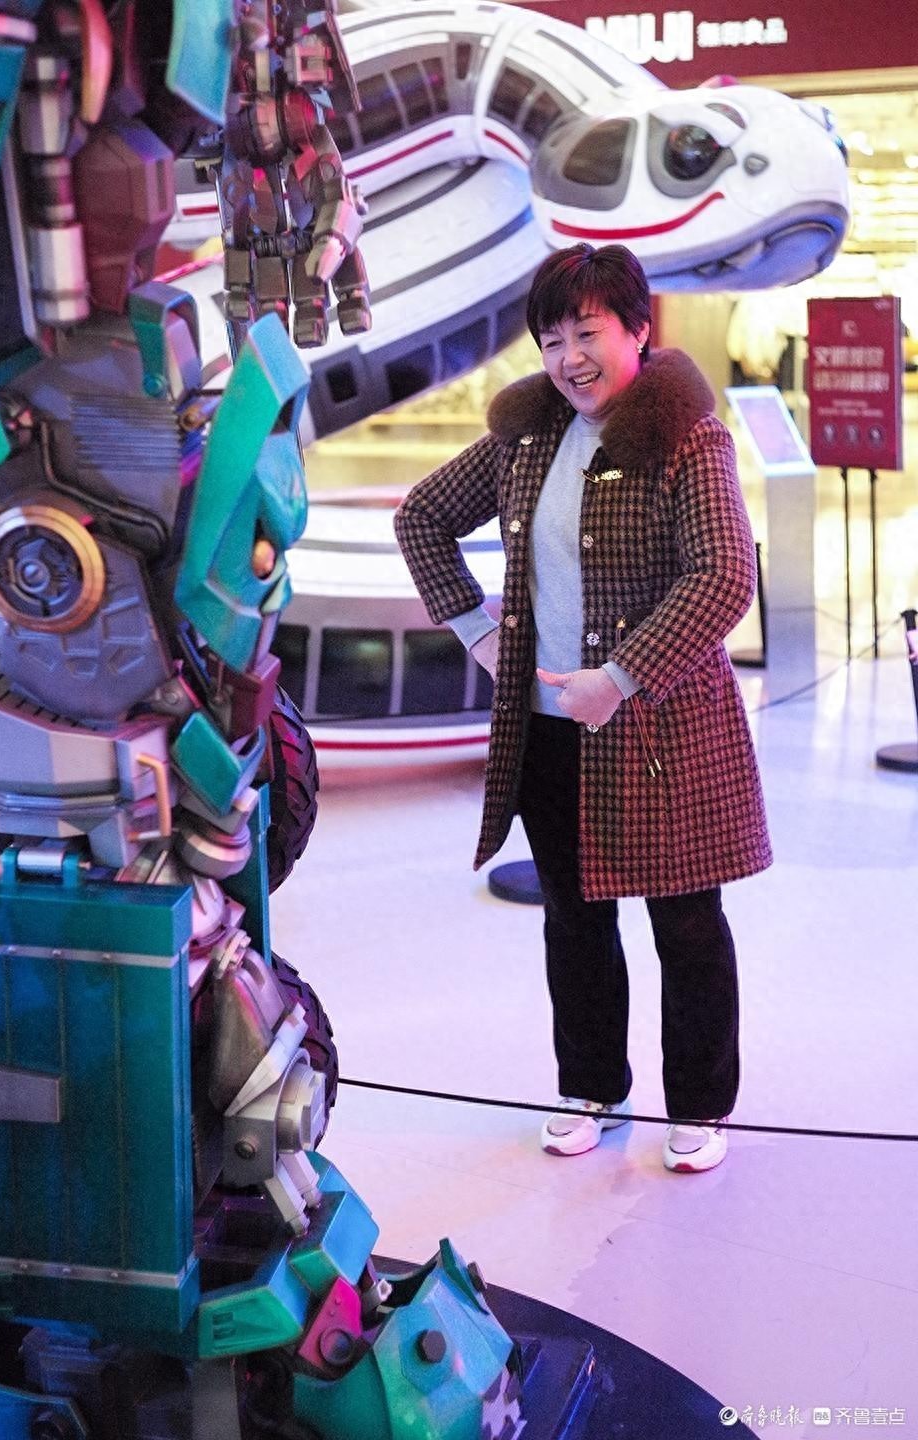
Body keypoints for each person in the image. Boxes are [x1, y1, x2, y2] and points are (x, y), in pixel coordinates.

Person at [394, 242, 772, 1174]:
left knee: (686, 923)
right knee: (573, 917)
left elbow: (725, 575)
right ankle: (593, 1087)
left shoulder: (688, 438)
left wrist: (622, 676)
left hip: (665, 729)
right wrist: (478, 633)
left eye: (588, 333)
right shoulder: (529, 436)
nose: (569, 359)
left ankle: (701, 1105)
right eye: (552, 339)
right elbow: (421, 517)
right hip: (550, 732)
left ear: (638, 329)